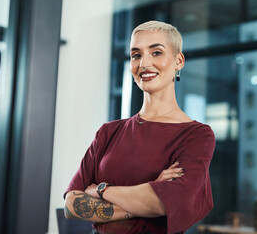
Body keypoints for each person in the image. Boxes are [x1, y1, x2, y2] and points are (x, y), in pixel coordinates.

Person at [64, 20, 216, 234]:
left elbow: (164, 204)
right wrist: (150, 191)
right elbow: (71, 204)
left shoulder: (197, 135)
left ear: (178, 60)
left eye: (156, 53)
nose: (144, 63)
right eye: (136, 55)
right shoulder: (109, 132)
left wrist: (101, 190)